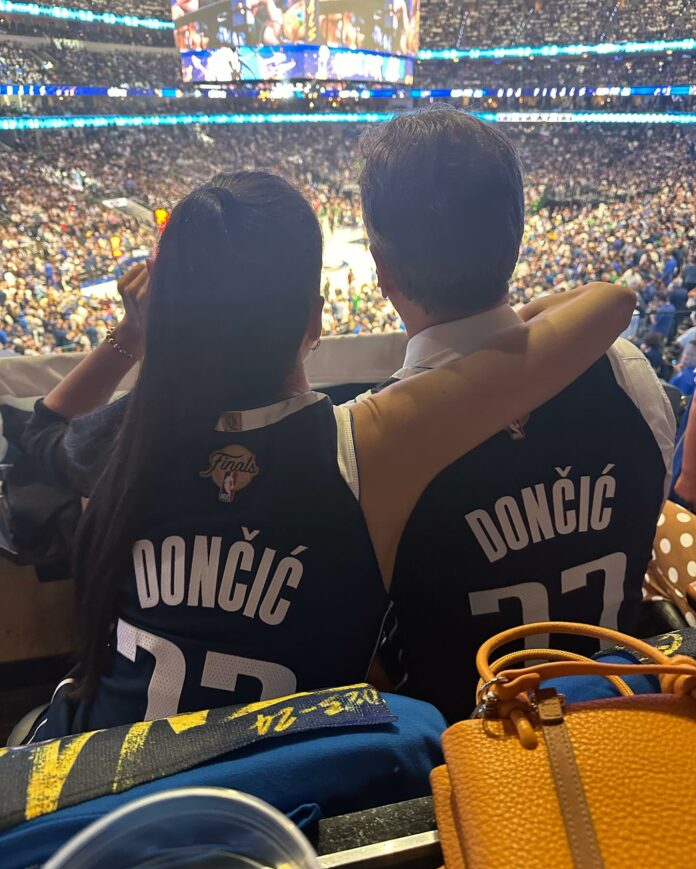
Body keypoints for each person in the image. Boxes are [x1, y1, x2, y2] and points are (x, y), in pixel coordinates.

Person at [19, 170, 634, 742]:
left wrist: (131, 337)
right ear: (314, 321)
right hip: (281, 797)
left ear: (167, 321)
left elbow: (45, 425)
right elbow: (610, 303)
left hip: (95, 782)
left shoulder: (124, 439)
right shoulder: (366, 446)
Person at [356, 106, 674, 722]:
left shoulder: (367, 445)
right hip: (623, 721)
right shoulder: (629, 374)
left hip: (464, 760)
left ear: (381, 269)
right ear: (516, 239)